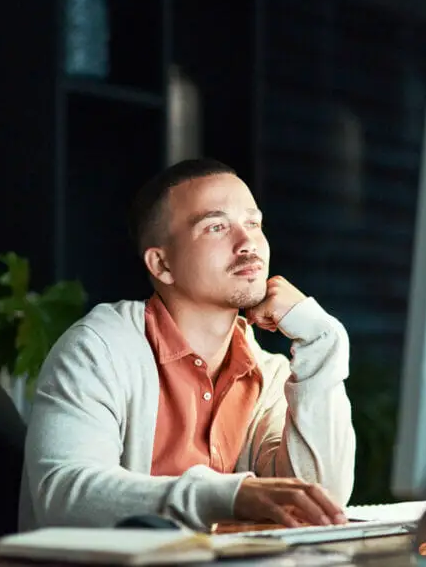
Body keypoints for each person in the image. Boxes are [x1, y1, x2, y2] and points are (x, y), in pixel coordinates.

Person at [18, 158, 356, 532]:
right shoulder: (98, 349)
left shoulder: (268, 375)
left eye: (253, 224)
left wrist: (324, 341)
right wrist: (228, 496)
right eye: (216, 227)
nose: (248, 244)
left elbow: (320, 503)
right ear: (161, 264)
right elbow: (63, 496)